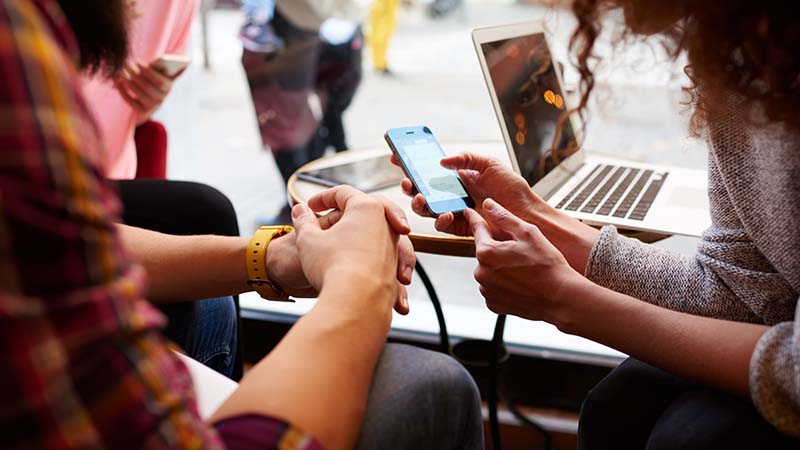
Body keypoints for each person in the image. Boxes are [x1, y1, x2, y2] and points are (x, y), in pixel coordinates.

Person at [0, 1, 485, 449]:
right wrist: (360, 286)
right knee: (435, 384)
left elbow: (61, 249)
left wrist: (276, 258)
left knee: (202, 222)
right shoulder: (16, 40)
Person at [397, 1, 800, 448]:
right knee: (619, 407)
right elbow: (743, 291)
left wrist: (566, 301)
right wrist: (534, 215)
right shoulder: (738, 62)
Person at [80, 0, 241, 378]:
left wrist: (149, 101)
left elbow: (135, 103)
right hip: (60, 175)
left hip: (111, 168)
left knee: (208, 218)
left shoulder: (179, 5)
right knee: (207, 212)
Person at [367, 0, 399, 75]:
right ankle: (380, 64)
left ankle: (379, 63)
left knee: (379, 37)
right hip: (384, 10)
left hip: (382, 9)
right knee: (381, 38)